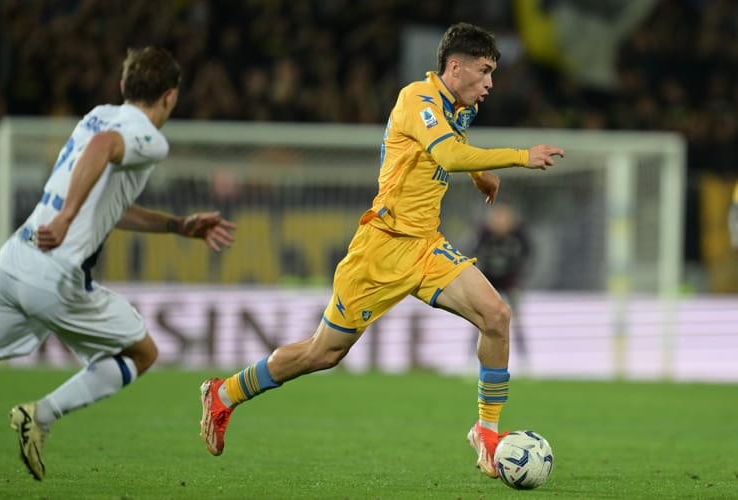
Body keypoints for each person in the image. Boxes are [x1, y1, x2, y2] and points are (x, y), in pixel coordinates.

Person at [198, 22, 563, 479]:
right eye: (485, 71)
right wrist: (519, 156)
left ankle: (486, 433)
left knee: (497, 316)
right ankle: (225, 393)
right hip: (380, 250)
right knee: (323, 353)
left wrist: (478, 174)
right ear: (456, 66)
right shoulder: (417, 100)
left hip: (426, 247)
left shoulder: (459, 108)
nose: (490, 83)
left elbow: (452, 147)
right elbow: (447, 155)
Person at [0, 46, 236, 481]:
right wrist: (67, 218)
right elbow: (105, 150)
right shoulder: (146, 137)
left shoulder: (97, 115)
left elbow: (108, 201)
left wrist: (179, 226)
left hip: (15, 260)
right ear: (170, 97)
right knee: (142, 352)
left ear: (124, 85)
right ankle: (41, 415)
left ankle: (40, 415)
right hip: (56, 276)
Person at [472, 203, 532, 369]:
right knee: (480, 318)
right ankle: (472, 360)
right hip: (490, 279)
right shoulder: (485, 233)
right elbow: (474, 252)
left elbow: (528, 253)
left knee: (517, 319)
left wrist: (520, 273)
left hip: (510, 280)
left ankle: (524, 361)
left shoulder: (518, 234)